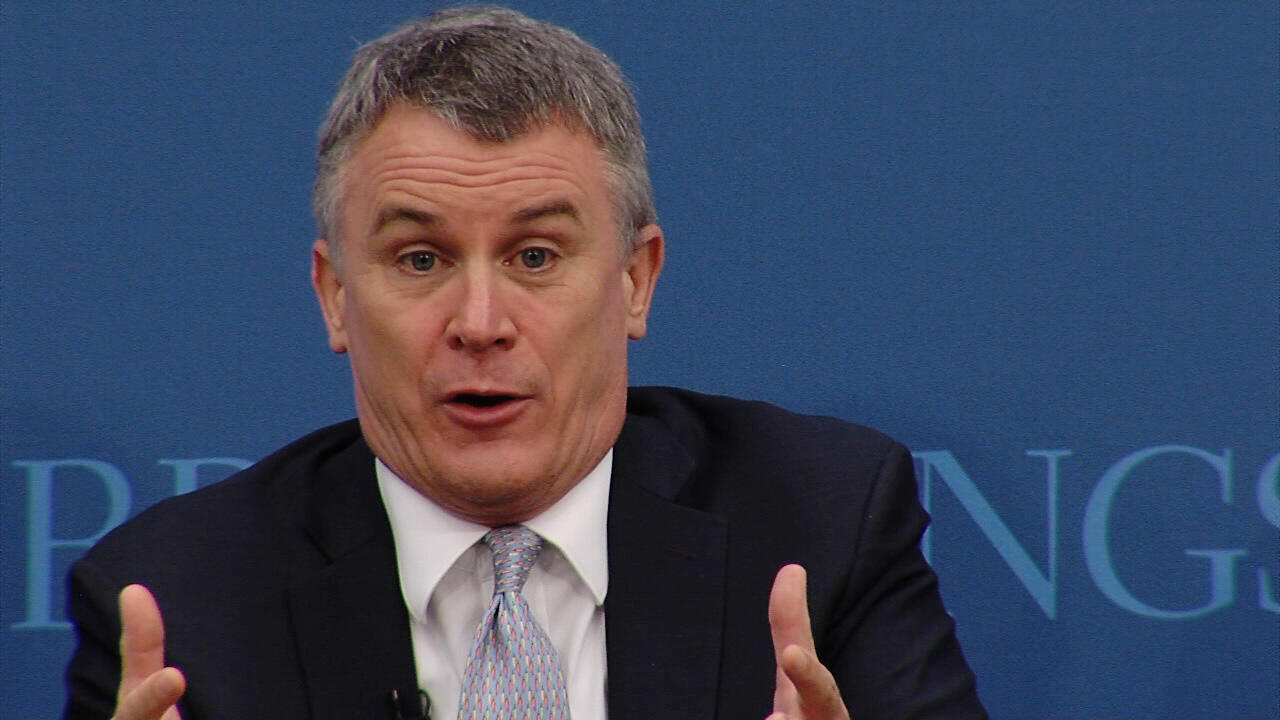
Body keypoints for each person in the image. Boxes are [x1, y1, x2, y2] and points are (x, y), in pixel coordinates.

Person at [63, 7, 986, 720]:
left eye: (535, 256)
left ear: (634, 280)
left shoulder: (823, 525)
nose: (480, 323)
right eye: (420, 260)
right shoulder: (172, 605)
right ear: (335, 295)